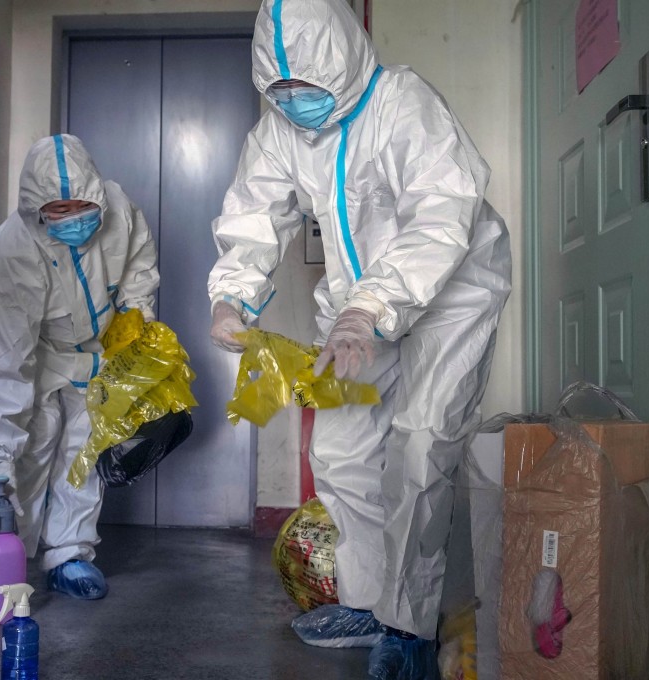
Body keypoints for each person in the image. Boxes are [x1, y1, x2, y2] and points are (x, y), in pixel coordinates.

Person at [207, 0, 512, 677]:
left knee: (422, 441)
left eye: (306, 83)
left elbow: (442, 213)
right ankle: (371, 602)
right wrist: (232, 294)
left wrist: (372, 306)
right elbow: (254, 211)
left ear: (343, 58)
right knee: (340, 448)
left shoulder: (403, 102)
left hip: (453, 287)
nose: (295, 100)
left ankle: (409, 626)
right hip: (355, 297)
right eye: (280, 87)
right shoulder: (281, 130)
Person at [0, 134, 159, 600]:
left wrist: (136, 319)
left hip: (99, 353)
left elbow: (138, 268)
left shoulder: (119, 210)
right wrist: (0, 446)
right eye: (60, 209)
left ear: (97, 195)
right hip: (39, 355)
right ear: (37, 210)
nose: (75, 217)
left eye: (83, 206)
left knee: (84, 455)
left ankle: (70, 555)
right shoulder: (12, 251)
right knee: (25, 456)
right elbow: (4, 355)